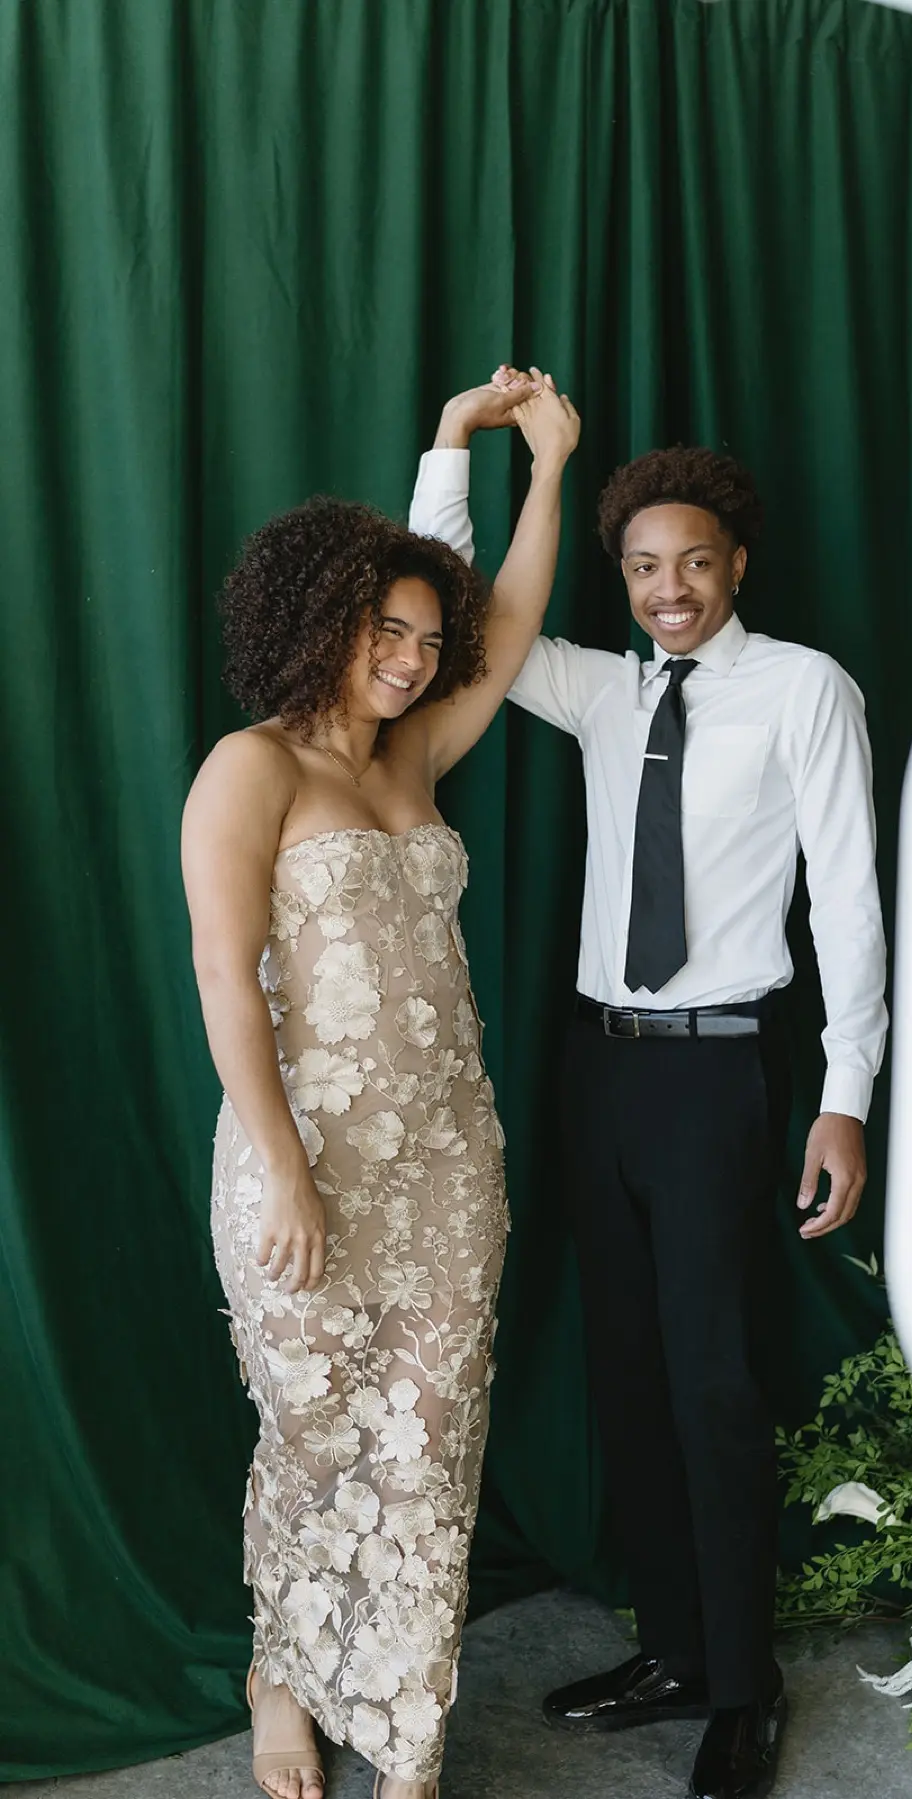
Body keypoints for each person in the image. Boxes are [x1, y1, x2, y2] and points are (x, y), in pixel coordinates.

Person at [407, 437, 888, 1799]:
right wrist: (460, 451)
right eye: (640, 567)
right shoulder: (602, 690)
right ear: (619, 579)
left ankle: (743, 1683)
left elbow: (847, 901)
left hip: (720, 1072)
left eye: (690, 562)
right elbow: (457, 618)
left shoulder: (804, 692)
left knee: (714, 1383)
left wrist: (844, 1098)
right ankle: (673, 1647)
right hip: (599, 1069)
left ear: (737, 562)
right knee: (627, 1374)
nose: (667, 589)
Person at [181, 369, 580, 1799]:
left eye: (425, 636)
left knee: (431, 1446)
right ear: (317, 622)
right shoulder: (250, 769)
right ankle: (281, 1670)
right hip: (304, 1164)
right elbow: (229, 982)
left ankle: (407, 1738)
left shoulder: (416, 756)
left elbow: (513, 620)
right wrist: (283, 1167)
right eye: (383, 629)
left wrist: (541, 466)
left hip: (448, 1159)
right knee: (316, 1431)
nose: (411, 659)